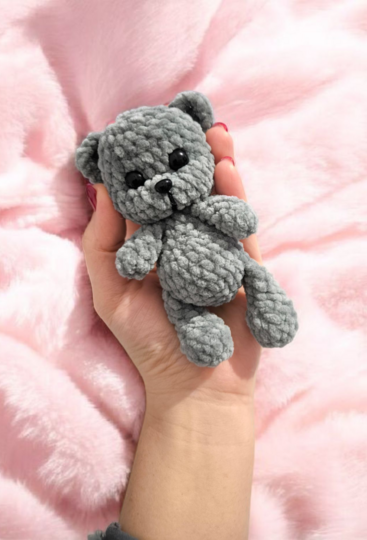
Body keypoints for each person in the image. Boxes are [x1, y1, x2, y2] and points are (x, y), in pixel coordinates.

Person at [84, 122, 259, 540]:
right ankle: (203, 326)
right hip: (180, 298)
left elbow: (239, 218)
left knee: (255, 277)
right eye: (135, 181)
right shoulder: (157, 232)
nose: (162, 182)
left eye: (179, 161)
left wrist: (210, 399)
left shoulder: (203, 211)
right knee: (184, 311)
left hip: (233, 271)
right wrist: (201, 395)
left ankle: (268, 303)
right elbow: (135, 259)